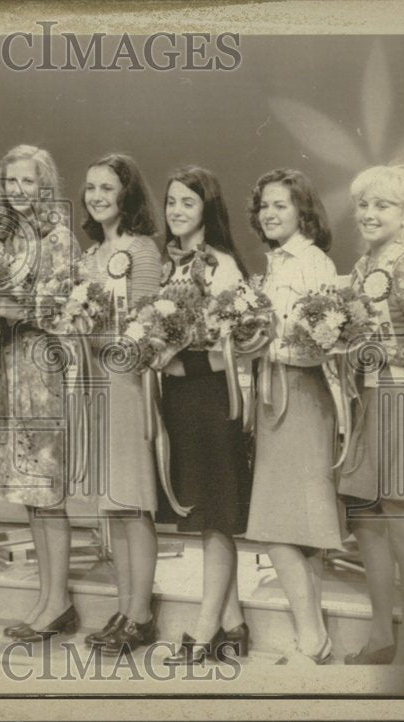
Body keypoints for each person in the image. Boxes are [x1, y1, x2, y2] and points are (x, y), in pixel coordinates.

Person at [0, 144, 82, 642]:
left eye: (28, 182)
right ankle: (47, 598)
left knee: (46, 490)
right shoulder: (3, 238)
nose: (19, 191)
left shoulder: (58, 237)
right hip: (7, 365)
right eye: (11, 181)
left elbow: (62, 309)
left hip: (40, 369)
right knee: (30, 495)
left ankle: (58, 602)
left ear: (45, 186)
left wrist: (11, 309)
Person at [338, 164, 404, 665]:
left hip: (403, 404)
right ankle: (381, 637)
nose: (370, 214)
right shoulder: (361, 267)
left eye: (383, 205)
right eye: (363, 204)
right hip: (367, 406)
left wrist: (380, 354)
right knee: (366, 524)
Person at [244, 169, 344, 665]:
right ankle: (315, 634)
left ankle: (310, 631)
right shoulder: (275, 264)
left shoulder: (312, 263)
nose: (269, 213)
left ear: (303, 211)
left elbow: (322, 344)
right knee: (290, 523)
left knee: (289, 523)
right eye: (264, 205)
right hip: (273, 400)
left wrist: (270, 346)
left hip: (303, 399)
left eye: (280, 205)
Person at [155, 166, 253, 665]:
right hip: (178, 398)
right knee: (204, 514)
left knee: (217, 518)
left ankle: (204, 628)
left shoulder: (222, 265)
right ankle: (234, 622)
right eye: (171, 201)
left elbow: (234, 342)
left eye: (187, 203)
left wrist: (181, 353)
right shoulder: (167, 263)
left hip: (212, 396)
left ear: (206, 210)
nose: (176, 211)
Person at [80, 153, 165, 656]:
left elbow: (147, 323)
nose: (96, 196)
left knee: (134, 503)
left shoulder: (142, 249)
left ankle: (142, 613)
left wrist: (101, 330)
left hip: (126, 382)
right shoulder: (90, 256)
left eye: (107, 188)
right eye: (90, 187)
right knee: (113, 507)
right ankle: (124, 604)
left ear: (126, 194)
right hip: (92, 385)